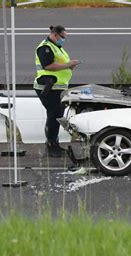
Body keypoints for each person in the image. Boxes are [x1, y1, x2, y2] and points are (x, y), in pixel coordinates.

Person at [34, 25, 81, 157]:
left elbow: (61, 65)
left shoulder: (57, 48)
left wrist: (70, 67)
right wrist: (68, 65)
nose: (63, 40)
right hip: (49, 88)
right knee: (53, 116)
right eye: (62, 37)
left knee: (57, 115)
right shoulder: (45, 47)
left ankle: (54, 144)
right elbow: (48, 66)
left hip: (58, 87)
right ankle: (51, 146)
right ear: (55, 35)